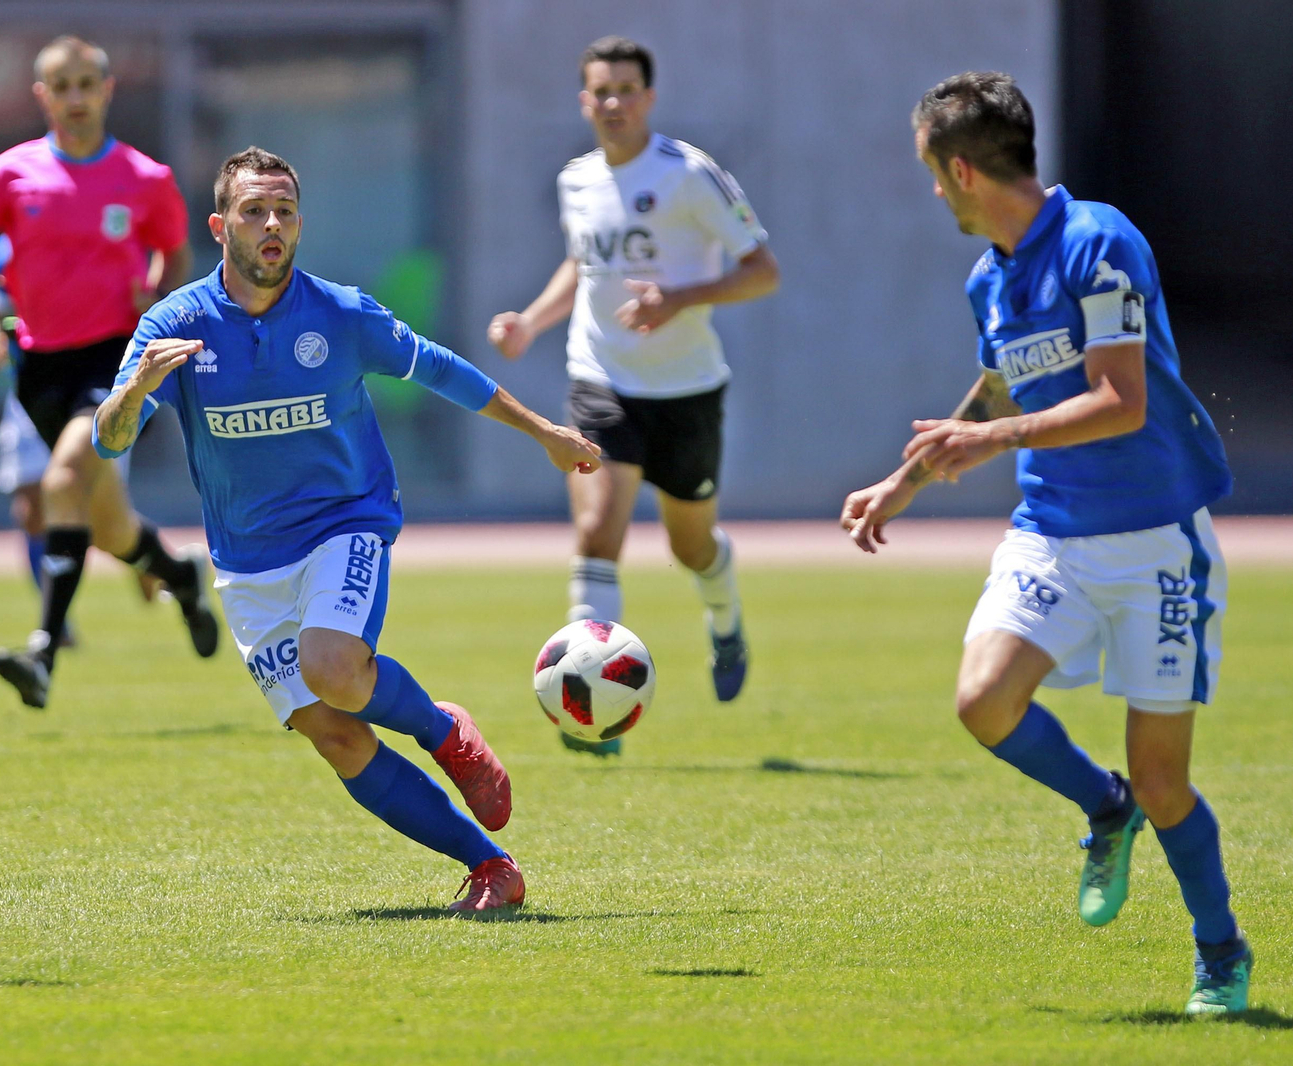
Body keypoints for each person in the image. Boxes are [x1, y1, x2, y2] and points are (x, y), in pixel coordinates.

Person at [94, 147, 602, 912]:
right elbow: (109, 439)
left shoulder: (339, 313)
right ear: (219, 225)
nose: (273, 225)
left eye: (286, 212)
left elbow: (441, 369)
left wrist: (546, 434)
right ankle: (490, 865)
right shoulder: (177, 323)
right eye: (255, 211)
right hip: (245, 566)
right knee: (337, 736)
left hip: (345, 524)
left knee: (332, 665)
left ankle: (440, 732)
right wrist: (134, 388)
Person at [839, 72, 1250, 1016]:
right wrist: (904, 479)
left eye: (933, 178)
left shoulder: (1099, 242)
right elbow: (997, 387)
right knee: (982, 701)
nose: (933, 195)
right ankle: (1101, 807)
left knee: (1167, 782)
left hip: (1156, 545)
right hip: (1052, 534)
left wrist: (990, 440)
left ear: (962, 168)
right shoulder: (990, 277)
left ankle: (1220, 950)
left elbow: (1121, 400)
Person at [487, 35, 780, 755]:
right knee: (597, 532)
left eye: (626, 89)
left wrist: (679, 298)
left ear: (649, 98)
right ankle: (594, 722)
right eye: (600, 90)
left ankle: (725, 618)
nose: (613, 102)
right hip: (601, 378)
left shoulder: (690, 175)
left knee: (691, 546)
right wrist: (531, 319)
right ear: (584, 101)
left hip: (686, 390)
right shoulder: (576, 180)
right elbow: (580, 266)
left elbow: (762, 270)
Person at [0, 35, 216, 709]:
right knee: (109, 527)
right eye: (63, 87)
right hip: (39, 369)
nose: (77, 98)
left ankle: (44, 653)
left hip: (114, 360)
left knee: (60, 480)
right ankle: (181, 576)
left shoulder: (145, 179)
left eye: (88, 83)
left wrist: (156, 298)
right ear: (44, 97)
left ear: (107, 90)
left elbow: (172, 258)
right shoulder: (10, 173)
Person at [0, 236, 160, 644]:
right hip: (30, 392)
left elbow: (144, 291)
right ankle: (56, 624)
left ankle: (154, 560)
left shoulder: (99, 229)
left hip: (89, 394)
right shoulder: (5, 247)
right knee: (32, 509)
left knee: (97, 517)